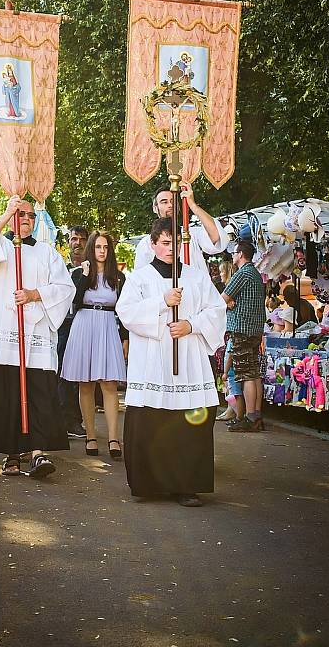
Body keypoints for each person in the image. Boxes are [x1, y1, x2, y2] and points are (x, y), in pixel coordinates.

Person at [116, 217, 226, 507]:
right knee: (153, 421)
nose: (170, 248)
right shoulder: (139, 278)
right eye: (164, 242)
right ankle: (151, 483)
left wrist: (191, 325)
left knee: (186, 423)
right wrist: (162, 302)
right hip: (153, 360)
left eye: (175, 242)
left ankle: (185, 485)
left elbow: (217, 310)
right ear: (153, 244)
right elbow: (126, 313)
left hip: (188, 358)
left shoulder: (196, 277)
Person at [0, 197, 75, 478]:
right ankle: (12, 454)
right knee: (6, 394)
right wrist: (5, 214)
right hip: (4, 334)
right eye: (20, 214)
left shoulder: (47, 253)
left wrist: (33, 295)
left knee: (38, 393)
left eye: (29, 215)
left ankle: (38, 452)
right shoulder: (0, 245)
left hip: (35, 333)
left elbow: (65, 288)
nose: (25, 218)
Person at [61, 231, 127, 458]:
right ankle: (90, 435)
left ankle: (113, 438)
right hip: (84, 325)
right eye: (98, 246)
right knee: (85, 384)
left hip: (108, 325)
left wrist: (125, 337)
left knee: (109, 384)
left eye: (105, 247)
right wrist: (84, 276)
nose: (101, 251)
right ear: (92, 249)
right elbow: (74, 303)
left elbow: (125, 308)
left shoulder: (118, 277)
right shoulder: (79, 274)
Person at [222, 240, 266, 433]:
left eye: (234, 253)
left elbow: (221, 298)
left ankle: (249, 417)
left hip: (242, 330)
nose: (232, 256)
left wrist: (228, 301)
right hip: (255, 330)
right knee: (254, 373)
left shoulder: (242, 273)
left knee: (246, 374)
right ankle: (255, 414)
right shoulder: (255, 274)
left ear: (240, 254)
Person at [134, 183, 229, 273]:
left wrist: (192, 205)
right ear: (155, 208)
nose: (170, 205)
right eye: (164, 202)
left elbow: (216, 236)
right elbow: (141, 278)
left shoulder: (191, 233)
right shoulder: (146, 244)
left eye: (173, 201)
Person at [57, 226, 89, 439]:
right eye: (73, 239)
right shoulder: (59, 267)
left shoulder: (93, 269)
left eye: (81, 239)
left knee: (83, 376)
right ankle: (66, 420)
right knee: (62, 374)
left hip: (85, 324)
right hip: (63, 326)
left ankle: (76, 419)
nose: (77, 243)